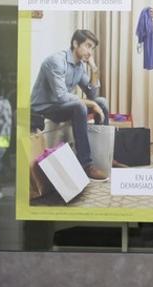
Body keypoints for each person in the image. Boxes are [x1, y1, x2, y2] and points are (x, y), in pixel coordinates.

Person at [30, 29, 110, 180]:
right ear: (75, 43)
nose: (90, 52)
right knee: (81, 106)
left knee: (102, 102)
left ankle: (104, 156)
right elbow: (60, 96)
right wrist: (91, 103)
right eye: (87, 46)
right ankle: (86, 164)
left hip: (61, 105)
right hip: (44, 107)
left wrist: (94, 69)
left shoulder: (79, 66)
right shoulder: (56, 61)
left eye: (92, 48)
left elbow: (93, 94)